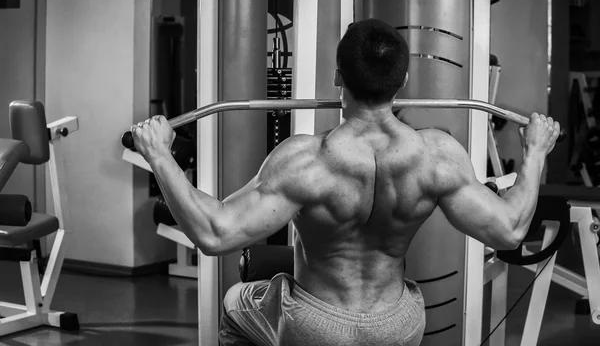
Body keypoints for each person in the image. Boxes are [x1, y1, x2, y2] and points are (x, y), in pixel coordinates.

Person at [131, 18, 560, 346]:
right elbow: (509, 231)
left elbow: (214, 232)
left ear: (338, 77)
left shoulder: (305, 160)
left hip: (314, 324)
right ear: (403, 83)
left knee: (234, 302)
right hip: (398, 324)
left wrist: (159, 154)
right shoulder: (437, 156)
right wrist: (536, 151)